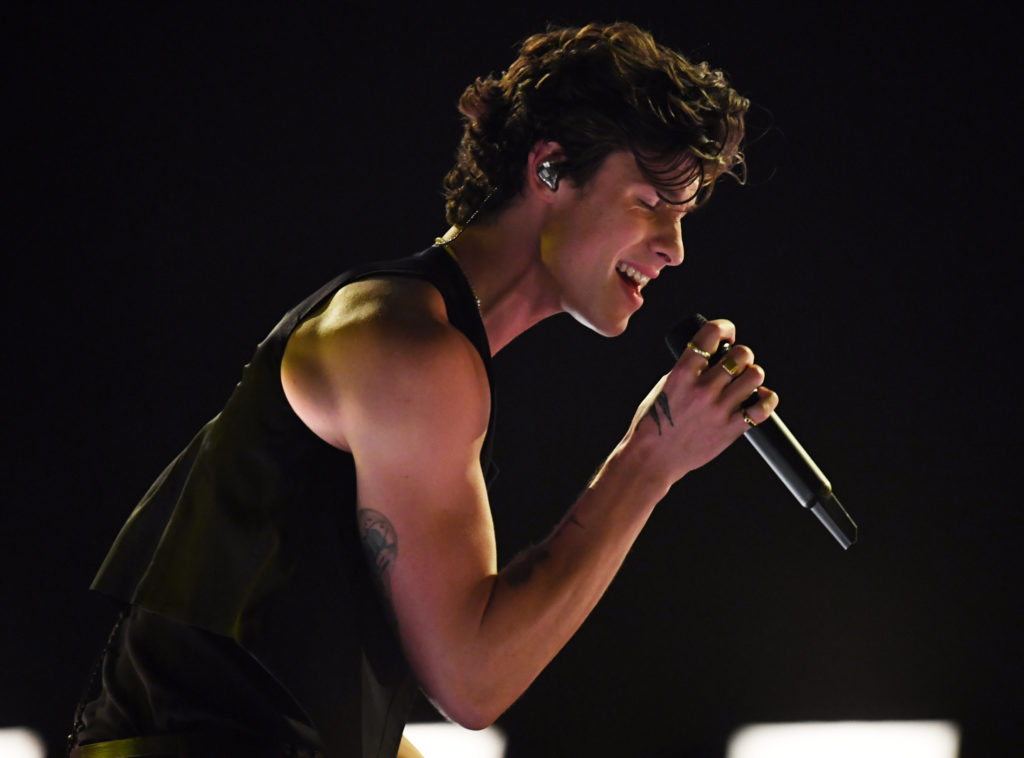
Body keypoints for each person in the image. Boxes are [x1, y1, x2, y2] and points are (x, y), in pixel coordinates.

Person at [69, 21, 777, 758]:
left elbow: (296, 669)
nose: (674, 247)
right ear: (551, 170)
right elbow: (473, 682)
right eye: (649, 201)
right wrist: (650, 460)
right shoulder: (407, 350)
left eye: (684, 215)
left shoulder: (425, 341)